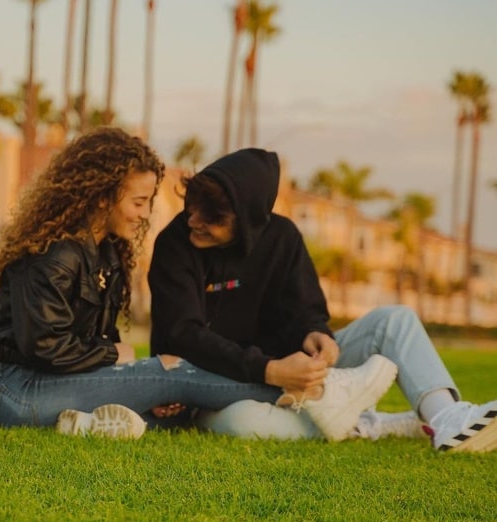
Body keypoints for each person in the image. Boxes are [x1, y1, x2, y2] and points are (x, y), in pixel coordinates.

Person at [0, 128, 396, 440]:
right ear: (102, 197)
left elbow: (85, 345)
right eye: (138, 202)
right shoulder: (54, 253)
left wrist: (117, 365)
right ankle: (322, 393)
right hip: (22, 391)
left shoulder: (104, 252)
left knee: (176, 411)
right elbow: (43, 347)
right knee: (170, 369)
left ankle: (85, 426)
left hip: (58, 388)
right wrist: (114, 354)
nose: (144, 214)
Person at [148, 147, 497, 453]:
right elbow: (183, 334)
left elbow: (306, 309)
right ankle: (367, 424)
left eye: (212, 218)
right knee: (242, 423)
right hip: (220, 380)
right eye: (191, 207)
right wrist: (269, 371)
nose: (194, 220)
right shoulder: (175, 245)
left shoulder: (282, 237)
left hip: (295, 370)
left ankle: (445, 416)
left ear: (250, 218)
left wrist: (317, 335)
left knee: (395, 320)